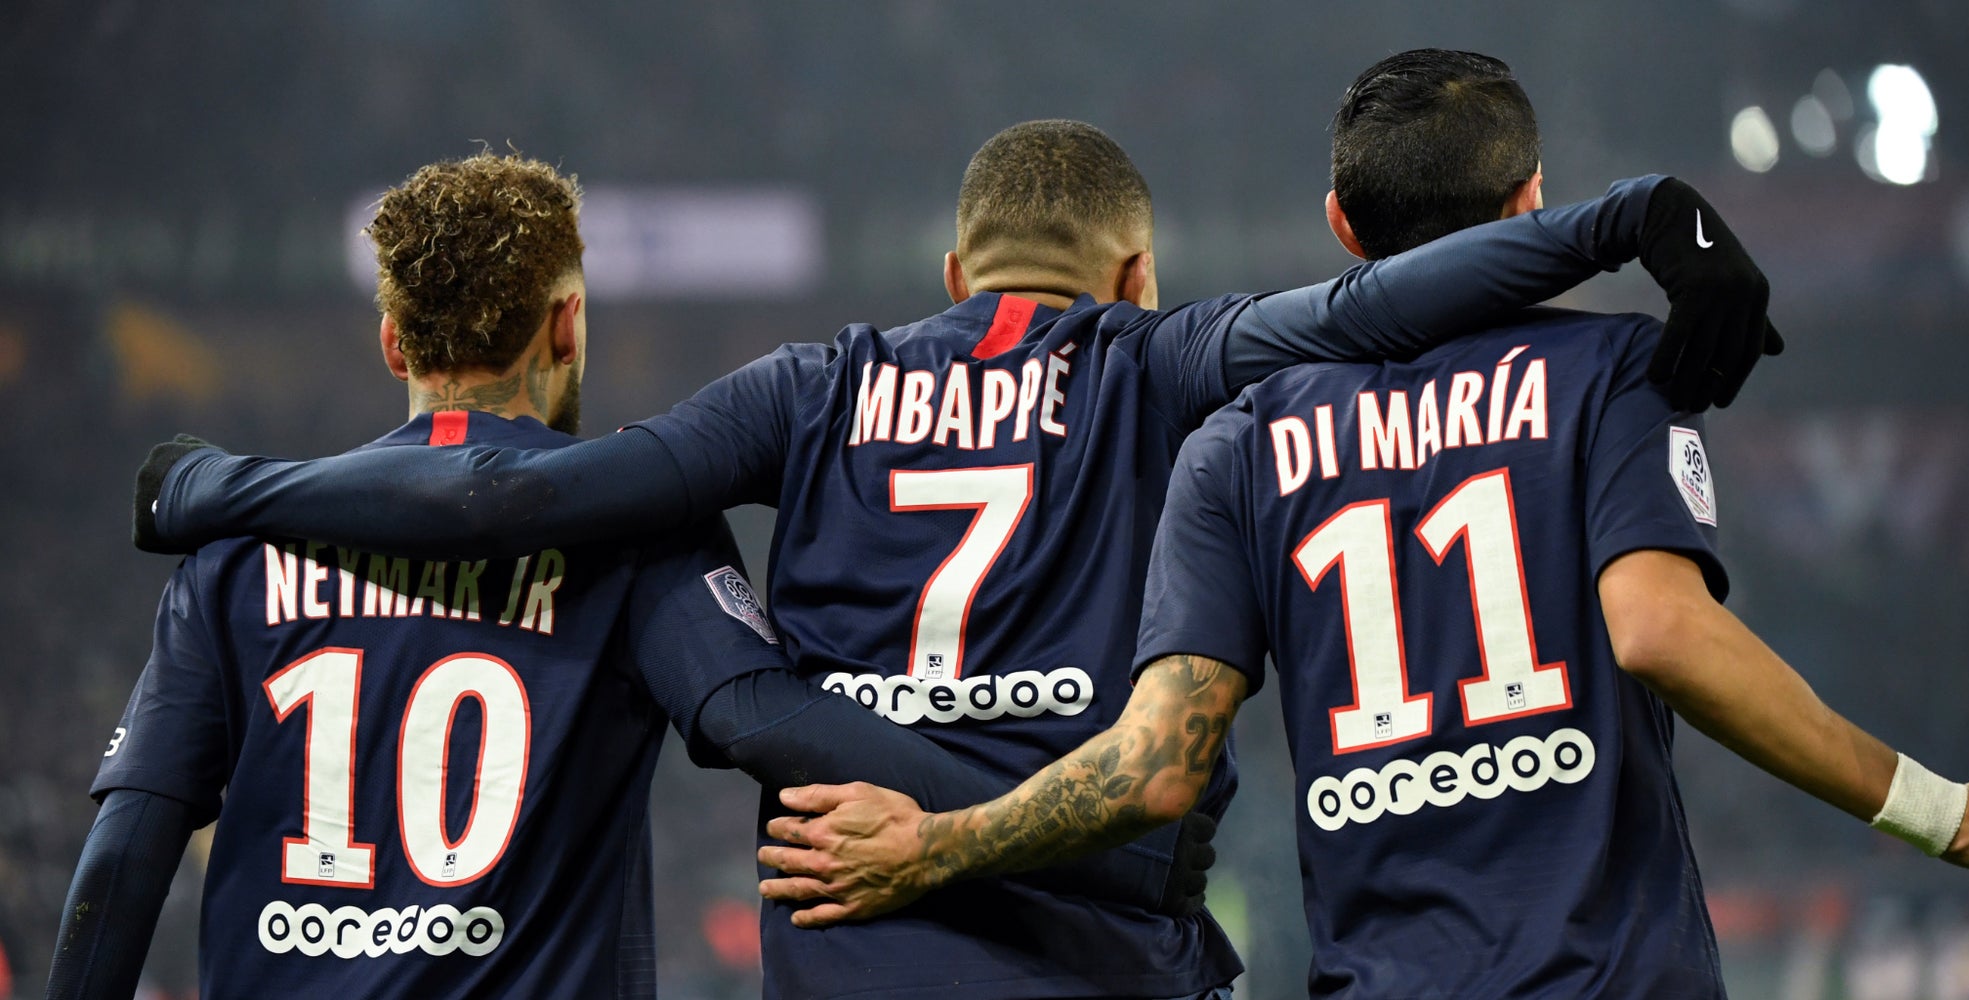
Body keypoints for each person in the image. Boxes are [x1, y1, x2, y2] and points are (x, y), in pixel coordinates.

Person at [131, 120, 1779, 999]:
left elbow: (523, 496)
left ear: (948, 266)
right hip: (1099, 949)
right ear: (1131, 269)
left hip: (853, 941)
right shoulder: (1161, 358)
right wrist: (1620, 222)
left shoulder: (808, 387)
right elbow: (1361, 315)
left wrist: (228, 488)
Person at [749, 51, 1969, 998]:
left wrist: (940, 840)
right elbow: (1661, 634)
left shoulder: (1235, 443)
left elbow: (1156, 762)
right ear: (1531, 204)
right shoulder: (1611, 371)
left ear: (1342, 229)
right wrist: (1937, 811)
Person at [49, 151, 1198, 1000]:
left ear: (393, 343)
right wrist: (1103, 847)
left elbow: (126, 851)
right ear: (567, 323)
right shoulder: (636, 533)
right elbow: (764, 715)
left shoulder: (237, 557)